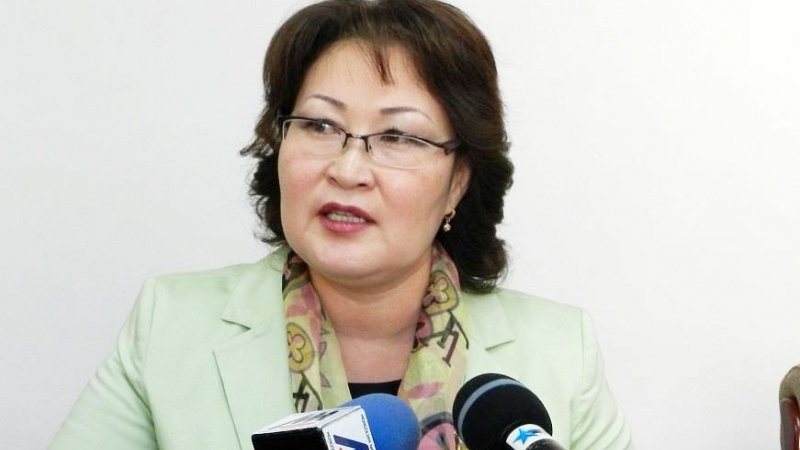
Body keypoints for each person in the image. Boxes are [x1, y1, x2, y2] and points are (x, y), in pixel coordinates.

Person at [49, 1, 633, 449]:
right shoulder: (171, 325)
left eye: (398, 135)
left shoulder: (560, 350)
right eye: (320, 126)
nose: (348, 169)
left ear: (458, 182)